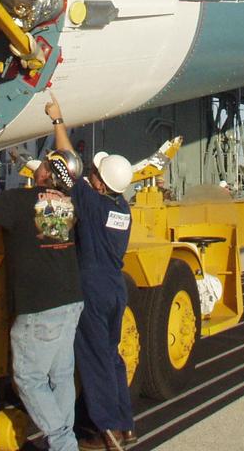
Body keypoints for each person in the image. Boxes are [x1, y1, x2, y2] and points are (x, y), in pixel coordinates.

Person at [0, 149, 84, 451]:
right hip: (69, 301)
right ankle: (64, 439)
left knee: (29, 380)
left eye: (42, 164)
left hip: (39, 307)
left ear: (44, 173)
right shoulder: (68, 206)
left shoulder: (20, 201)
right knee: (61, 376)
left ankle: (64, 443)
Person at [46, 96, 137, 451]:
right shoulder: (122, 209)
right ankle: (125, 423)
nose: (92, 176)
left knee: (95, 358)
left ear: (100, 183)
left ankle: (107, 430)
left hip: (93, 288)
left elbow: (69, 169)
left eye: (96, 174)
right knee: (111, 356)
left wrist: (57, 121)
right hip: (115, 288)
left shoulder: (95, 204)